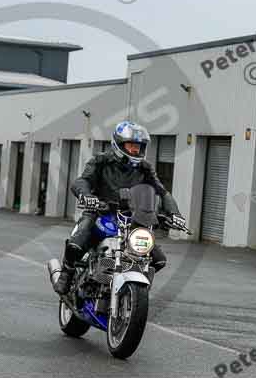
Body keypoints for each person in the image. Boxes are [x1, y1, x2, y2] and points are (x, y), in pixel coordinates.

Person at [53, 121, 187, 294]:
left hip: (131, 218)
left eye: (139, 147)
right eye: (131, 146)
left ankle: (134, 288)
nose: (135, 151)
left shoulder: (145, 168)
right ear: (118, 144)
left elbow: (162, 192)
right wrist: (86, 196)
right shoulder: (100, 160)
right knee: (77, 243)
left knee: (158, 259)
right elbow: (82, 181)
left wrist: (174, 213)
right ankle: (66, 276)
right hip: (99, 212)